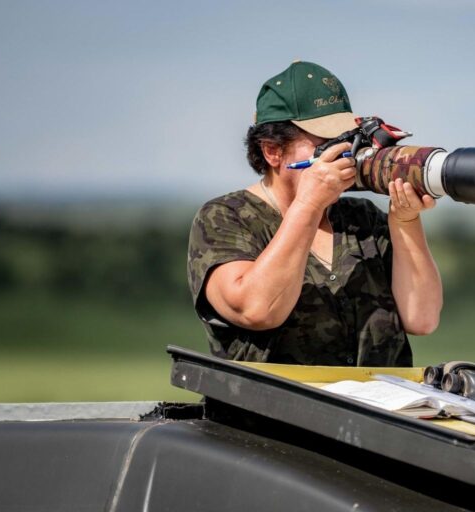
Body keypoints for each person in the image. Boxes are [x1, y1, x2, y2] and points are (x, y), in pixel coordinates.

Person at [187, 61, 443, 367]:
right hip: (276, 413)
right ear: (272, 151)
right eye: (326, 144)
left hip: (373, 413)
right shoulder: (225, 217)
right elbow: (257, 309)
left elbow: (422, 318)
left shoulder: (363, 219)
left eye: (348, 138)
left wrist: (405, 221)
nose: (346, 151)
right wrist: (308, 206)